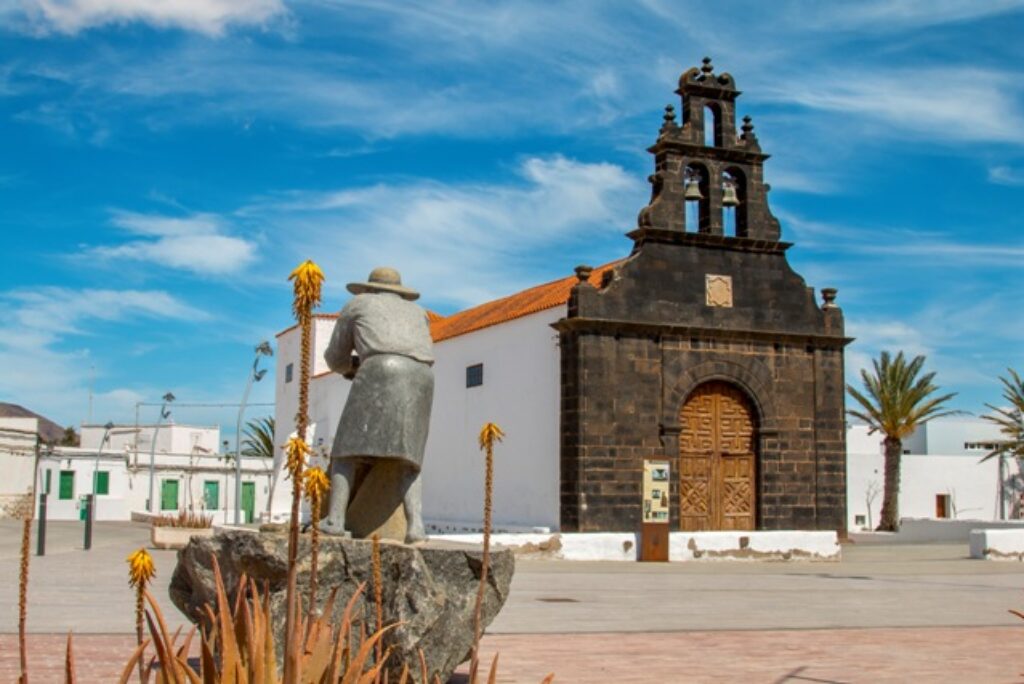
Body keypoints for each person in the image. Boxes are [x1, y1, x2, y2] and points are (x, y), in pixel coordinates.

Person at [321, 266, 434, 543]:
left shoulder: (357, 304)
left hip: (379, 370)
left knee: (345, 451)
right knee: (410, 460)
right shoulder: (419, 312)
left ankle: (335, 519)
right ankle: (416, 525)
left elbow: (335, 357)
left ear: (369, 287)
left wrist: (350, 368)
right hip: (422, 377)